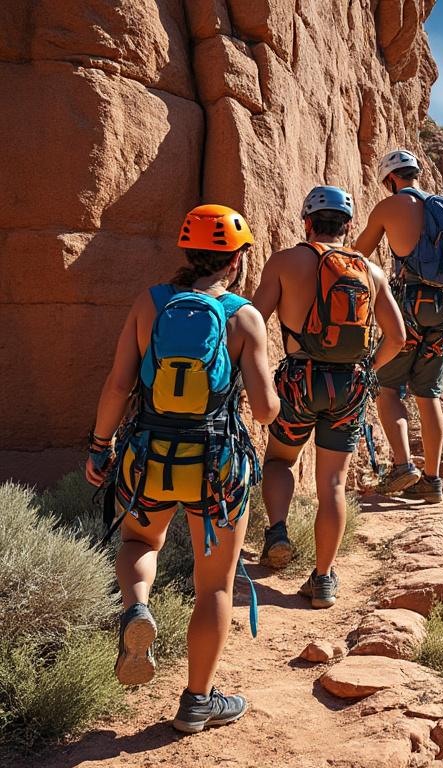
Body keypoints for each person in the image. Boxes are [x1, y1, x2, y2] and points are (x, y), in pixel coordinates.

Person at [86, 204, 279, 733]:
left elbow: (118, 385)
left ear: (188, 253)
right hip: (215, 468)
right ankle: (197, 702)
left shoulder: (150, 304)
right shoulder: (244, 317)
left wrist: (99, 447)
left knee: (139, 544)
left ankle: (136, 608)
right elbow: (265, 410)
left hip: (149, 457)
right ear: (237, 261)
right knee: (214, 585)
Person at [252, 185, 405, 608]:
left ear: (307, 222)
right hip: (349, 387)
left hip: (299, 382)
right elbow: (398, 337)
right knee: (333, 483)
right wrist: (369, 369)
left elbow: (254, 320)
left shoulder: (286, 261)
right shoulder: (371, 273)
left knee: (281, 459)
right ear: (349, 226)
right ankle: (323, 579)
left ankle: (277, 532)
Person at [355, 149, 443, 504]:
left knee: (387, 386)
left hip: (410, 304)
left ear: (390, 179)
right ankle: (433, 480)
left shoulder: (389, 207)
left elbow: (358, 254)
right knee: (429, 394)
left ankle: (403, 464)